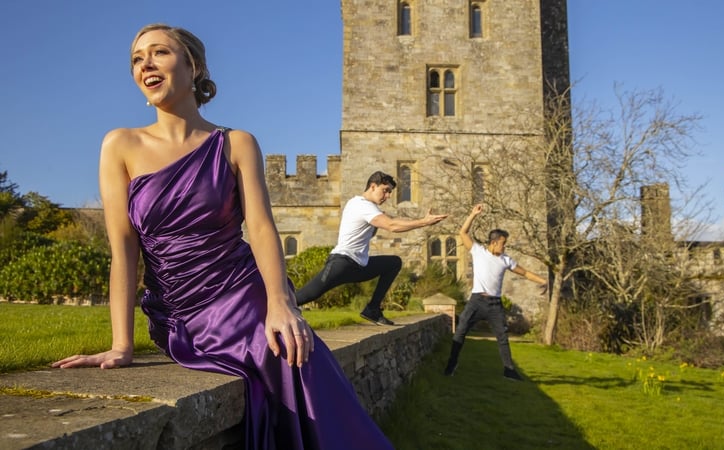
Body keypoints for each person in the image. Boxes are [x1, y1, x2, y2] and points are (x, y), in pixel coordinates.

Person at [51, 23, 394, 450]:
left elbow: (263, 228)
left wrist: (281, 303)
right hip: (177, 309)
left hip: (240, 288)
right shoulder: (120, 145)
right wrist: (122, 345)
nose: (146, 64)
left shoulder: (236, 144)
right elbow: (124, 251)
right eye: (137, 59)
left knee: (292, 349)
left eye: (159, 53)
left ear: (193, 66)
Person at [296, 171, 448, 325]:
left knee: (393, 263)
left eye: (390, 192)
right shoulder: (361, 204)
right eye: (385, 190)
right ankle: (277, 308)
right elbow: (391, 225)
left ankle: (373, 309)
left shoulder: (367, 207)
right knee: (307, 295)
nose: (388, 196)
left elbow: (380, 226)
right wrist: (424, 222)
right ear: (373, 186)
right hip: (341, 262)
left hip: (359, 265)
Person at [443, 204, 548, 381]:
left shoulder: (506, 260)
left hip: (494, 305)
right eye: (503, 243)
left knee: (502, 336)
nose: (504, 247)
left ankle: (509, 370)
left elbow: (525, 272)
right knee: (460, 331)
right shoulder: (478, 252)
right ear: (494, 242)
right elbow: (462, 233)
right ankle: (451, 364)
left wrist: (543, 280)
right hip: (476, 302)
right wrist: (472, 215)